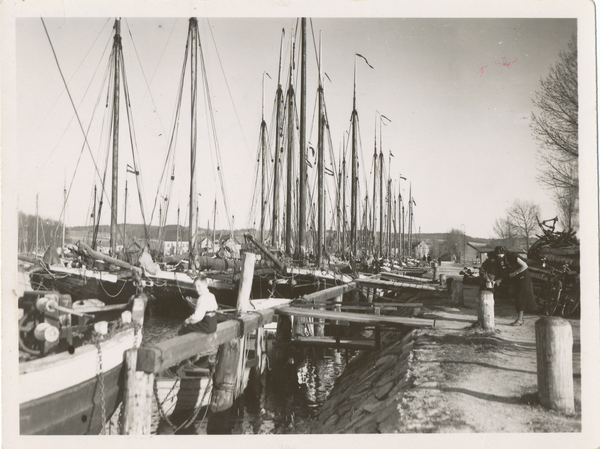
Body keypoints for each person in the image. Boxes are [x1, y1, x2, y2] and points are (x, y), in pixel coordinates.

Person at [494, 246, 537, 326]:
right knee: (517, 297)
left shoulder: (513, 256)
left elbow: (524, 266)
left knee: (521, 297)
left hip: (523, 277)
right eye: (498, 255)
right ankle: (520, 319)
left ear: (505, 253)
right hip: (517, 278)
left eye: (501, 255)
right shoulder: (502, 260)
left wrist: (515, 273)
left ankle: (520, 320)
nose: (499, 257)